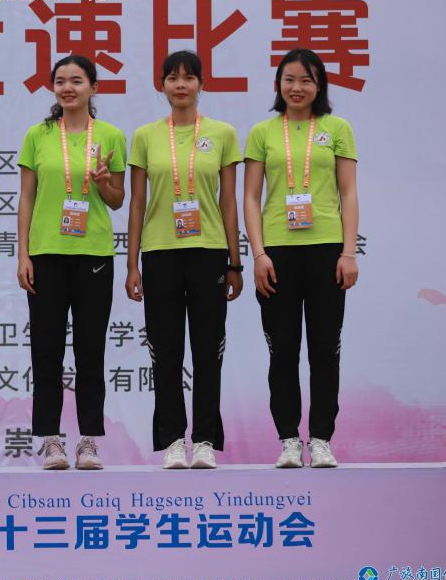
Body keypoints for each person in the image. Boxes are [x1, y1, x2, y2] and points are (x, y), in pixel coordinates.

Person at [125, 50, 243, 470]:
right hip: (159, 252)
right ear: (161, 85)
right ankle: (173, 439)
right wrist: (132, 263)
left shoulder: (223, 134)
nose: (180, 85)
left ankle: (205, 439)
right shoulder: (145, 136)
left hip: (209, 251)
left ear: (201, 85)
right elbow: (137, 203)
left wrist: (235, 261)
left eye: (188, 77)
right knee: (166, 351)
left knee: (208, 351)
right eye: (172, 78)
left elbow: (229, 202)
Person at [243, 48, 360, 469]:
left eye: (306, 80)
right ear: (278, 85)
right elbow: (251, 197)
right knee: (282, 351)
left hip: (327, 250)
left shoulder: (337, 128)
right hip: (277, 253)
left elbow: (349, 192)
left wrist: (348, 252)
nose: (297, 88)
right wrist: (258, 253)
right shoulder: (262, 132)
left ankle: (322, 438)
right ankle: (289, 439)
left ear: (319, 85)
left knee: (325, 350)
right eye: (289, 79)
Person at [16, 55, 127, 470]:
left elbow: (117, 199)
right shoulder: (38, 135)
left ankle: (89, 441)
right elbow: (26, 197)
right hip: (45, 254)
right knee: (46, 350)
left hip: (93, 254)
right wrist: (23, 254)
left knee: (90, 350)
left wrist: (104, 184)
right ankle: (51, 440)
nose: (68, 88)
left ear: (93, 88)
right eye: (60, 81)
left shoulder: (111, 135)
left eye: (77, 81)